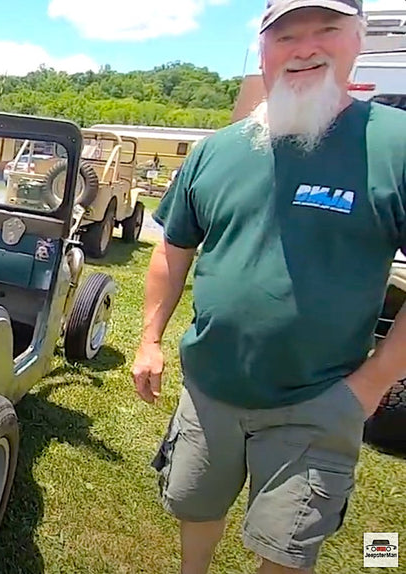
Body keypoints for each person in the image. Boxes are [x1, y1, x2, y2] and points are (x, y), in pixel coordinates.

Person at [133, 2, 406, 574]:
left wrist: (372, 383)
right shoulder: (218, 150)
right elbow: (171, 249)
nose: (304, 47)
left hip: (317, 400)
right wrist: (150, 339)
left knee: (285, 545)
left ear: (357, 39)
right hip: (209, 388)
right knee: (193, 505)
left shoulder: (394, 145)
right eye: (286, 35)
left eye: (325, 30)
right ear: (263, 50)